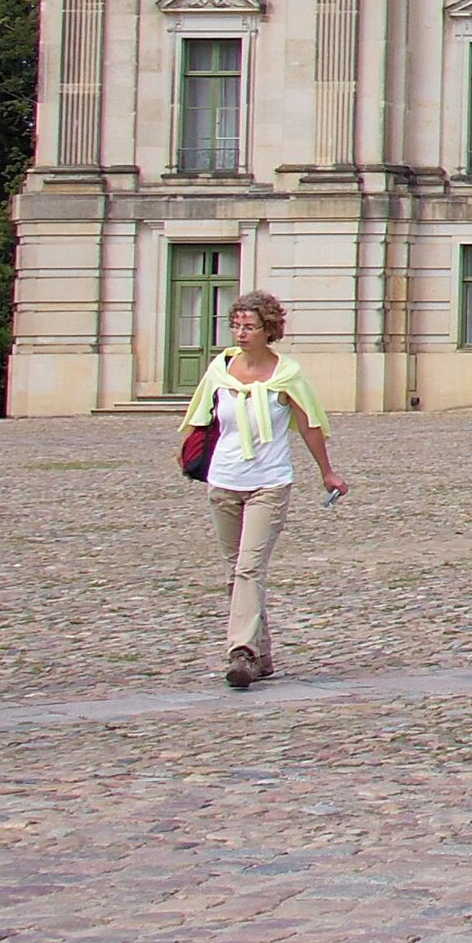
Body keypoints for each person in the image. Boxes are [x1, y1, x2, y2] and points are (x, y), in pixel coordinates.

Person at [178, 290, 347, 690]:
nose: (240, 332)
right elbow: (199, 418)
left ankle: (241, 652)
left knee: (250, 567)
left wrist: (327, 472)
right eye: (236, 325)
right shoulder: (220, 369)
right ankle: (262, 654)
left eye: (249, 326)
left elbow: (309, 424)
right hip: (224, 481)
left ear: (267, 329)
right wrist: (188, 455)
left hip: (269, 483)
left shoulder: (286, 374)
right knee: (235, 572)